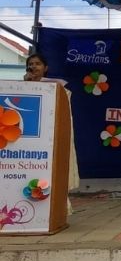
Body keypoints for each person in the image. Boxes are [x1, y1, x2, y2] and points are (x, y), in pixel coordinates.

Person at [23, 54, 78, 196]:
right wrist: (26, 85)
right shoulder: (20, 87)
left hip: (49, 134)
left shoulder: (56, 87)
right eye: (31, 64)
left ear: (45, 68)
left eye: (38, 63)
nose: (34, 66)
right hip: (28, 136)